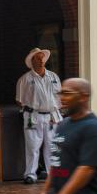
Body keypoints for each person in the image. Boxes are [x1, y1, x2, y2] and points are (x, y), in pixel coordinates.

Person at [16, 46, 62, 185]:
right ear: (32, 61)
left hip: (52, 117)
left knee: (52, 146)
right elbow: (19, 100)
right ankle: (30, 174)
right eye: (38, 57)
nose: (41, 60)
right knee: (32, 146)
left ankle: (53, 175)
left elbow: (60, 98)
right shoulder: (24, 79)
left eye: (42, 57)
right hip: (33, 116)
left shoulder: (53, 77)